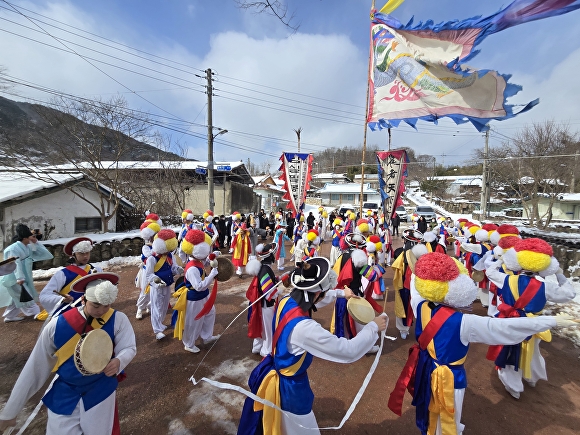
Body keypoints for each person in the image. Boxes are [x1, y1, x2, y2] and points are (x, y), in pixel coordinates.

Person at [387, 252, 577, 435]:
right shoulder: (464, 322)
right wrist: (550, 321)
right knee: (449, 412)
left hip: (426, 367)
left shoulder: (420, 305)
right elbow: (505, 328)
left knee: (430, 407)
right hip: (450, 377)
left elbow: (415, 290)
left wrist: (419, 269)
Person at [237, 257, 388, 435]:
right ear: (317, 293)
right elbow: (347, 350)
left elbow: (315, 298)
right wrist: (373, 327)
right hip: (291, 390)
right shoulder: (305, 328)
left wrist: (341, 293)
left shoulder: (286, 300)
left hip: (281, 375)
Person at [0, 272, 136, 435]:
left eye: (106, 306)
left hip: (101, 391)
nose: (101, 311)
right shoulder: (57, 325)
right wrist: (10, 412)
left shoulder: (118, 319)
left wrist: (119, 361)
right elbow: (35, 367)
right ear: (83, 299)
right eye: (95, 305)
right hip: (65, 391)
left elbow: (129, 347)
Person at [485, 238, 576, 399]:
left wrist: (501, 260)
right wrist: (559, 274)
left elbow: (490, 273)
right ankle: (531, 377)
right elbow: (569, 294)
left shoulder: (507, 279)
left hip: (510, 321)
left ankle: (514, 386)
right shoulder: (546, 287)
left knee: (510, 349)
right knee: (532, 350)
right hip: (535, 324)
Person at [172, 229, 220, 353]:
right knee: (194, 321)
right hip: (195, 297)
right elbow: (199, 286)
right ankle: (188, 343)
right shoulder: (192, 268)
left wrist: (213, 257)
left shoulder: (197, 260)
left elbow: (205, 262)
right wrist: (212, 274)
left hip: (203, 295)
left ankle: (206, 336)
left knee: (210, 313)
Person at [38, 237, 103, 320]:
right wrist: (61, 299)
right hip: (69, 315)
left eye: (87, 253)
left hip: (93, 313)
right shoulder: (62, 274)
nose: (85, 256)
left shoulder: (97, 270)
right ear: (73, 255)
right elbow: (44, 296)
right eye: (81, 253)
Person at [0, 224, 53, 322]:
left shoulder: (28, 247)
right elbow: (16, 264)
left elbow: (46, 255)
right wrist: (19, 278)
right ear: (25, 237)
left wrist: (36, 242)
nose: (32, 238)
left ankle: (9, 316)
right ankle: (36, 313)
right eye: (30, 236)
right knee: (27, 296)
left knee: (17, 298)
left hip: (24, 275)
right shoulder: (12, 249)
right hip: (14, 278)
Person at [245, 243, 283, 356]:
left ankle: (257, 347)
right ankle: (267, 351)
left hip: (260, 304)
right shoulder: (266, 270)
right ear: (270, 256)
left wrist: (280, 278)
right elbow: (269, 293)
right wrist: (279, 291)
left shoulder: (262, 267)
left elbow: (269, 282)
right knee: (268, 329)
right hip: (266, 305)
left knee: (261, 326)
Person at [145, 229, 183, 340]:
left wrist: (178, 269)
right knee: (156, 307)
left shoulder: (170, 256)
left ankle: (160, 323)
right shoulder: (152, 259)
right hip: (157, 287)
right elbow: (149, 274)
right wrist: (157, 281)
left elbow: (173, 268)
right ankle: (157, 330)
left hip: (167, 284)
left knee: (164, 306)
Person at [135, 218, 161, 320]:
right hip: (147, 271)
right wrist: (156, 249)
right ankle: (140, 309)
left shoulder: (159, 245)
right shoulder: (146, 247)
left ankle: (150, 306)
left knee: (156, 290)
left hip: (157, 270)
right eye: (154, 235)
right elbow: (149, 255)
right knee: (145, 291)